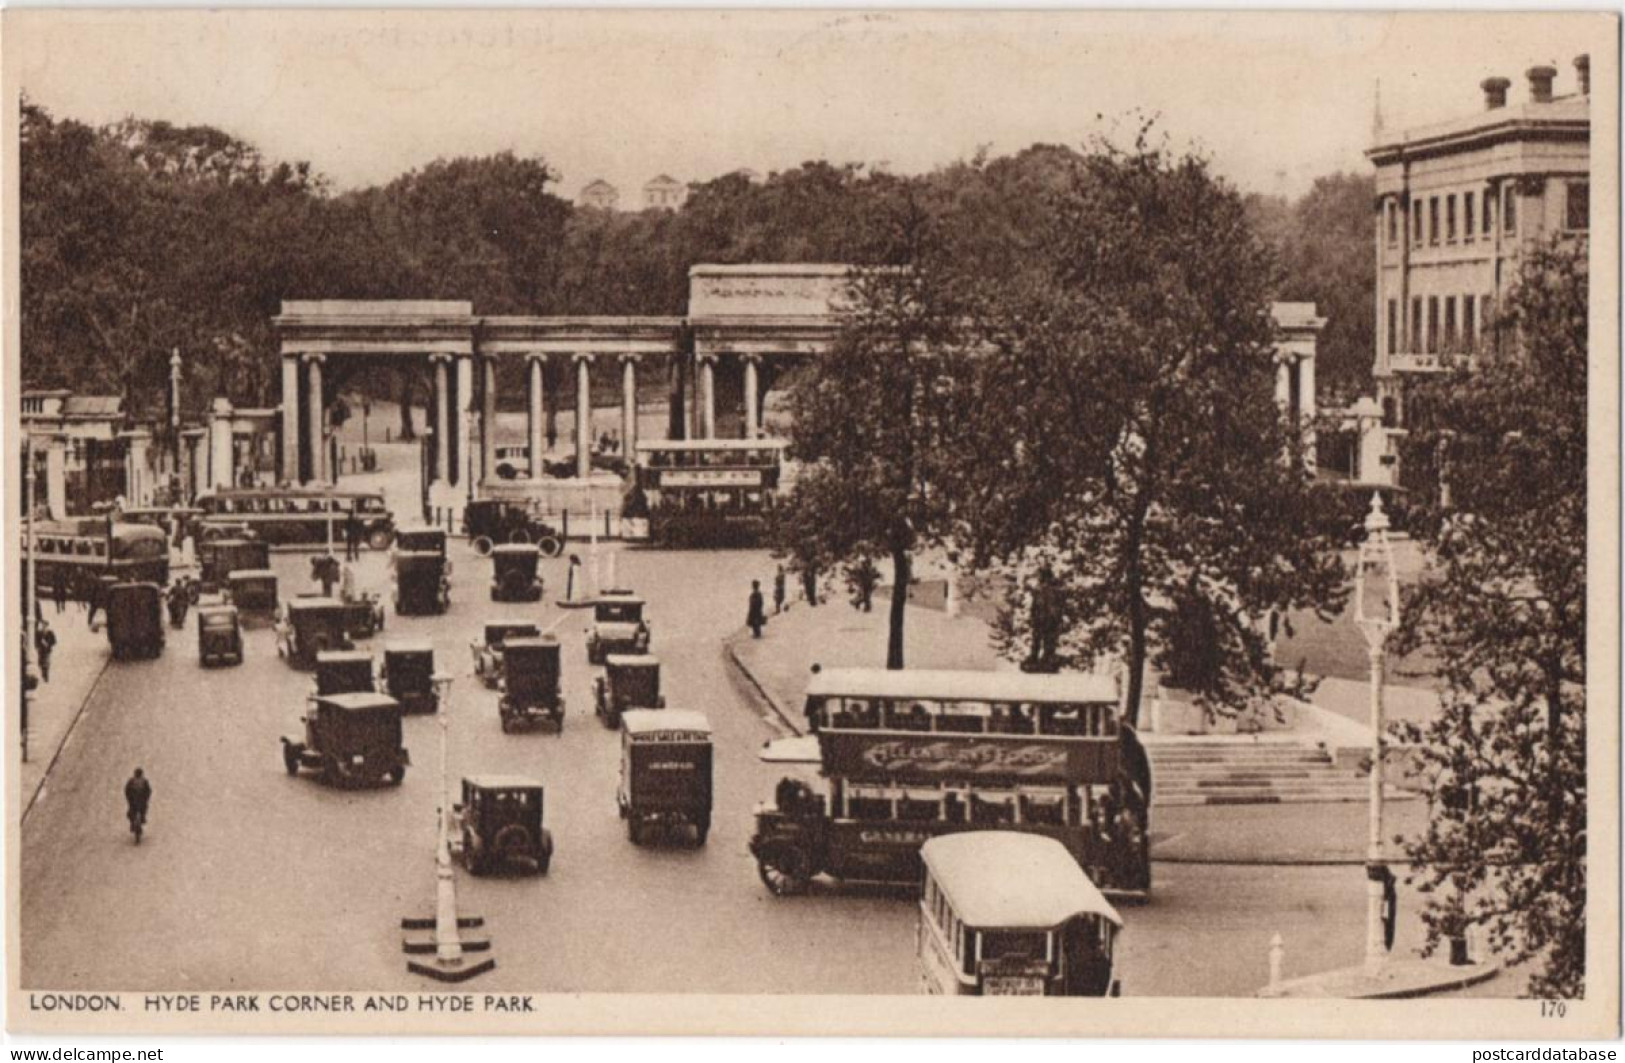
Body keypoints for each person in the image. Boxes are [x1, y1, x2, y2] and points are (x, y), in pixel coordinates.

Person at [124, 767, 152, 838]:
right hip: (139, 800)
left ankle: (135, 822)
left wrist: (129, 798)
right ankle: (139, 820)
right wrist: (146, 798)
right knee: (140, 810)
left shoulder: (132, 781)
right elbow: (148, 791)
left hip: (135, 800)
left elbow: (127, 790)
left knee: (132, 812)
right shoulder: (143, 781)